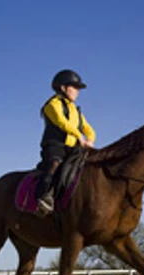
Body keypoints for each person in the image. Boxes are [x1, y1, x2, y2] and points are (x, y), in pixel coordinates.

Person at [35, 69, 96, 215]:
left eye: (78, 89)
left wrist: (90, 139)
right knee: (54, 164)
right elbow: (62, 123)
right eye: (74, 87)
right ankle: (44, 198)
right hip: (55, 146)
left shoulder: (75, 110)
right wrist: (79, 136)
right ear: (63, 88)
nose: (77, 91)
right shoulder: (52, 104)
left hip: (72, 148)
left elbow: (88, 128)